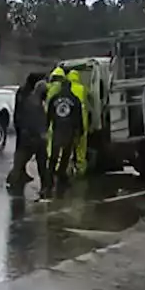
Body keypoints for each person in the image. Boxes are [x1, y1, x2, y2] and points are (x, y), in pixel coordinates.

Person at [6, 73, 49, 192]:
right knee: (40, 162)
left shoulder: (27, 96)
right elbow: (38, 121)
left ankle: (13, 181)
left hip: (26, 133)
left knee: (21, 159)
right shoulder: (36, 102)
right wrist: (42, 134)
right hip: (33, 136)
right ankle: (46, 186)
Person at [45, 68, 84, 196]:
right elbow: (79, 117)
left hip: (57, 130)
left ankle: (49, 179)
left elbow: (49, 115)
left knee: (54, 157)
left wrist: (46, 128)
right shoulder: (75, 99)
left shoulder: (55, 98)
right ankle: (61, 176)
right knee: (66, 156)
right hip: (69, 132)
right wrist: (80, 131)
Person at [66, 69, 90, 176]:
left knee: (68, 146)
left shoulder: (67, 88)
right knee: (81, 146)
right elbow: (89, 97)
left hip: (69, 120)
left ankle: (68, 167)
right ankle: (80, 168)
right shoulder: (82, 88)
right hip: (82, 119)